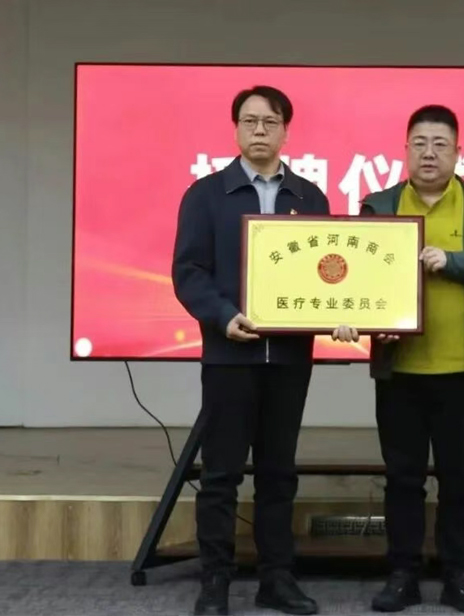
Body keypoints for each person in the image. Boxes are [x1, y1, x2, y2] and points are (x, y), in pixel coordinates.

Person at [335, 105, 464, 613]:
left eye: (440, 144)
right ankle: (403, 574)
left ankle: (459, 575)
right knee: (403, 479)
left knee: (460, 478)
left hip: (463, 371)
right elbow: (355, 278)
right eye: (419, 143)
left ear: (459, 152)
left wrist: (453, 261)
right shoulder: (379, 207)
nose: (429, 153)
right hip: (400, 373)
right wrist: (352, 317)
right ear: (405, 150)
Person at [172, 85, 350, 616]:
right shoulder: (205, 195)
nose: (259, 131)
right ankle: (215, 581)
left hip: (289, 360)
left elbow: (327, 275)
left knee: (278, 473)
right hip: (228, 355)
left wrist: (343, 312)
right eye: (249, 121)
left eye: (270, 122)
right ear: (235, 129)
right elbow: (189, 272)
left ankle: (277, 578)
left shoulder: (310, 198)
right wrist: (222, 316)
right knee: (220, 475)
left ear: (285, 132)